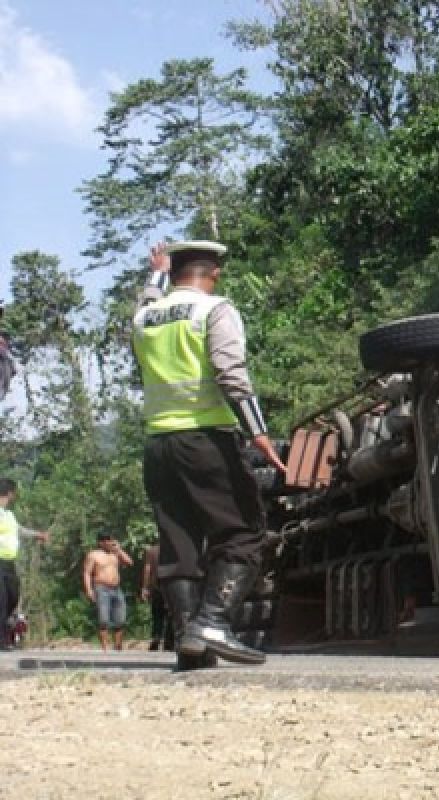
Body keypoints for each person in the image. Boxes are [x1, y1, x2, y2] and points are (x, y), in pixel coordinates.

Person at [132, 240, 285, 670]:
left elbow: (147, 302)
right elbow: (231, 374)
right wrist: (259, 434)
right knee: (242, 533)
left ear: (175, 271)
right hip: (206, 440)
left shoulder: (144, 317)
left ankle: (189, 643)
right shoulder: (213, 310)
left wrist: (154, 276)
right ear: (213, 273)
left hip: (158, 444)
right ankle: (213, 621)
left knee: (177, 544)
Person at [0, 478, 49, 649]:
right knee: (2, 600)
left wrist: (38, 534)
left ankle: (7, 633)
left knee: (13, 597)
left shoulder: (9, 515)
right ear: (10, 493)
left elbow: (19, 530)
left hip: (9, 562)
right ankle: (3, 640)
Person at [83, 533, 133, 651]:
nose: (109, 542)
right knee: (103, 619)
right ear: (100, 542)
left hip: (116, 589)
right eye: (106, 540)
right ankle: (105, 647)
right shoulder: (93, 555)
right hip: (101, 588)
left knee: (120, 619)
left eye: (110, 540)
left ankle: (118, 645)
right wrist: (89, 590)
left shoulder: (115, 554)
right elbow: (87, 573)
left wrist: (119, 550)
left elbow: (129, 562)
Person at [140, 543, 172, 651]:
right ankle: (168, 641)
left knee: (157, 615)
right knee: (170, 615)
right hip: (170, 586)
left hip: (157, 586)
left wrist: (145, 587)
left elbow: (147, 569)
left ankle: (157, 637)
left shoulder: (152, 550)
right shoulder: (174, 549)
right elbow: (147, 568)